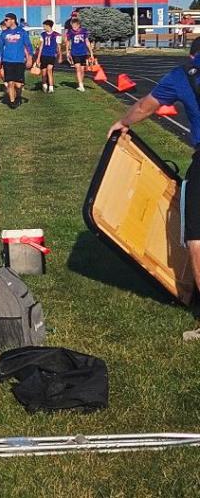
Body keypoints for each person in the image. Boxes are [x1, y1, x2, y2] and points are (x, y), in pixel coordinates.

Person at [107, 38, 200, 341]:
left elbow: (147, 106)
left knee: (197, 239)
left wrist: (123, 122)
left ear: (192, 54)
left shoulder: (184, 74)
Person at [0, 12, 34, 108]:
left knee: (18, 85)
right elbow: (0, 48)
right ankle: (12, 102)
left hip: (19, 61)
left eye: (6, 20)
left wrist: (30, 58)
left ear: (13, 20)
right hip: (7, 61)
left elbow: (28, 46)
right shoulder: (4, 33)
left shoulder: (22, 32)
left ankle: (18, 98)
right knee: (10, 82)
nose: (5, 22)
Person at [65, 16, 94, 92]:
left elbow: (87, 41)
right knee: (77, 68)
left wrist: (91, 53)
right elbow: (68, 42)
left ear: (78, 25)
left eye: (75, 26)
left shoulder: (84, 31)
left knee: (82, 70)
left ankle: (80, 83)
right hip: (74, 52)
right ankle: (81, 85)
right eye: (72, 26)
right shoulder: (70, 32)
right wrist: (67, 52)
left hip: (83, 52)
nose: (73, 28)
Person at [35, 19, 61, 93]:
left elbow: (58, 46)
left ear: (48, 26)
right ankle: (44, 84)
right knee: (43, 72)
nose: (43, 27)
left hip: (51, 55)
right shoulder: (43, 34)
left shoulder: (56, 35)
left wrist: (60, 56)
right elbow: (41, 47)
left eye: (44, 26)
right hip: (44, 55)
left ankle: (51, 87)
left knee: (49, 70)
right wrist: (38, 58)